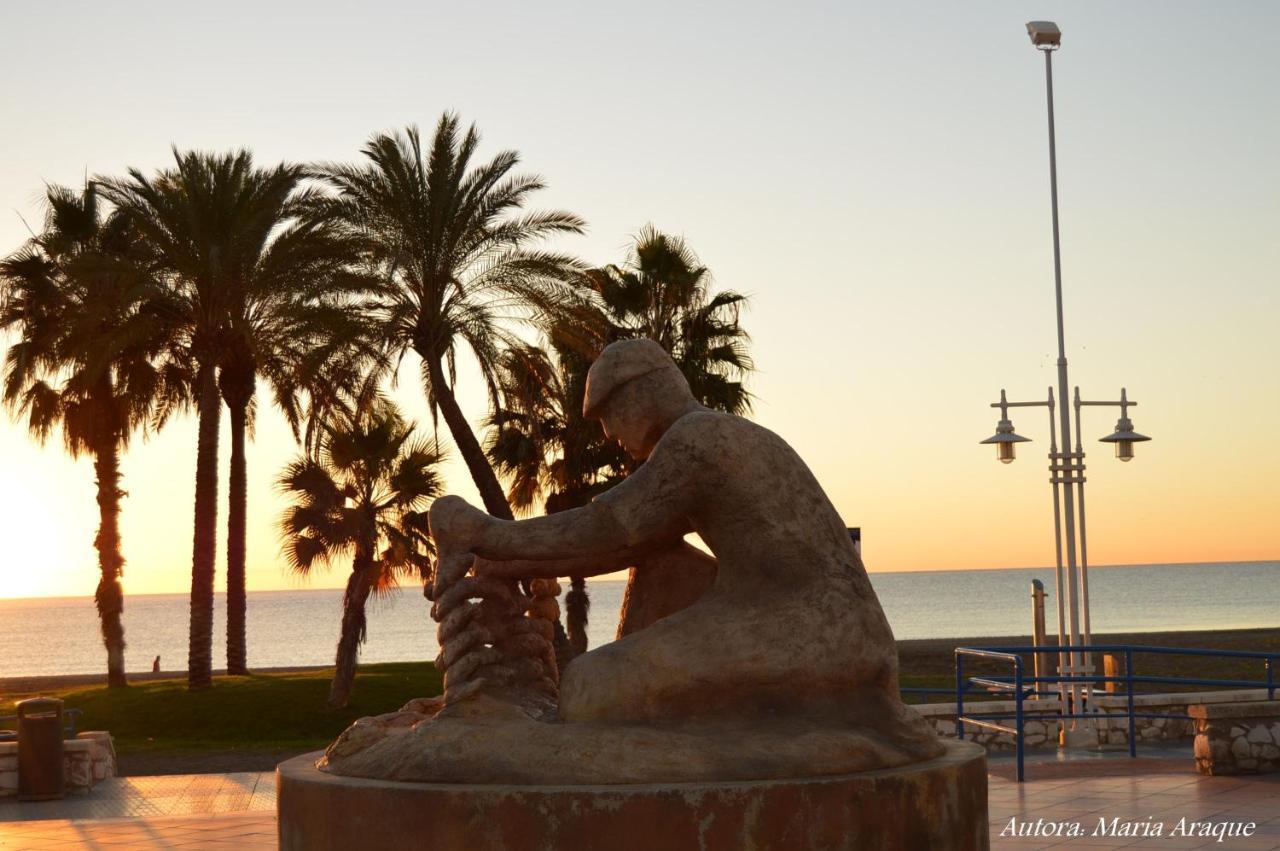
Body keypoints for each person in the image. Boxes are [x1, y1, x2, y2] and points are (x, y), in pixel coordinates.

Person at [429, 339, 936, 755]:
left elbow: (610, 527)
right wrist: (499, 560)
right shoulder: (725, 434)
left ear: (637, 394)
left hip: (814, 631)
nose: (609, 434)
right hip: (828, 625)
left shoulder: (697, 439)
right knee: (659, 563)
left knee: (585, 688)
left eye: (607, 416)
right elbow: (629, 547)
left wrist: (486, 533)